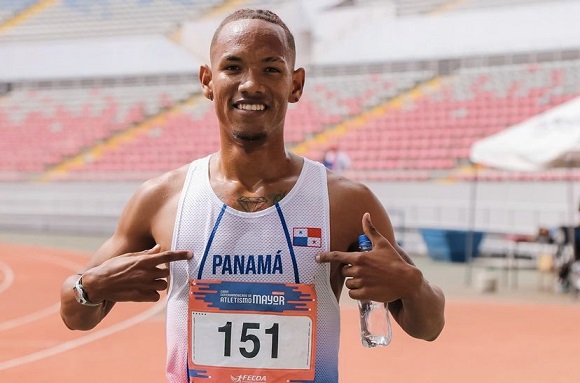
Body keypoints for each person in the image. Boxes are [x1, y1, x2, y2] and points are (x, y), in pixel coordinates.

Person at [59, 9, 445, 383]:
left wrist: (411, 286)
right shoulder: (161, 199)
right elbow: (75, 314)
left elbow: (429, 326)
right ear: (207, 80)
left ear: (295, 85)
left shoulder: (345, 203)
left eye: (271, 69)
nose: (251, 84)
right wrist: (89, 288)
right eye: (233, 67)